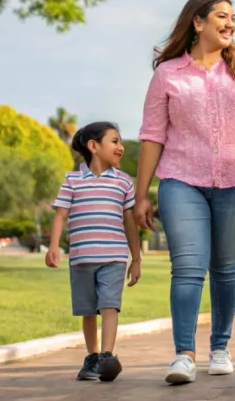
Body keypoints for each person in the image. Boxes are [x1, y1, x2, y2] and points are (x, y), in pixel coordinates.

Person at [132, 0, 235, 385]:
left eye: (233, 17)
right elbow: (151, 136)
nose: (230, 23)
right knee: (187, 267)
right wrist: (142, 192)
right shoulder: (167, 74)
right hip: (182, 179)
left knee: (226, 267)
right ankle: (183, 355)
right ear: (198, 23)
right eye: (221, 15)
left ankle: (220, 347)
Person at [45, 121, 142, 383]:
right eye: (115, 141)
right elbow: (61, 214)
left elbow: (129, 221)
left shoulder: (123, 181)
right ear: (93, 146)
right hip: (81, 257)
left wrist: (137, 258)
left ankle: (107, 356)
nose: (121, 147)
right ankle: (93, 355)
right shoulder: (72, 179)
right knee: (88, 310)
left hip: (114, 257)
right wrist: (53, 246)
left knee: (110, 305)